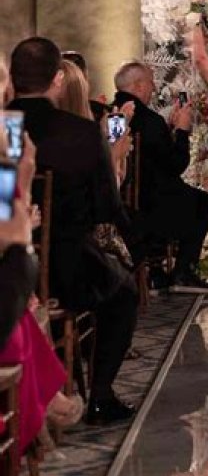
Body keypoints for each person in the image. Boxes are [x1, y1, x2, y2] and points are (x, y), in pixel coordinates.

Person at [8, 37, 138, 425]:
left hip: (11, 265)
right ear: (57, 79)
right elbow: (106, 208)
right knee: (124, 292)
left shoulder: (5, 128)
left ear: (13, 78)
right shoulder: (80, 131)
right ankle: (100, 396)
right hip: (68, 269)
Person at [114, 62, 208, 294]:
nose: (153, 88)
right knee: (203, 201)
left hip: (122, 200)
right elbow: (176, 165)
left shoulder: (112, 114)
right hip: (153, 206)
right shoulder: (150, 120)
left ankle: (156, 270)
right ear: (139, 86)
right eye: (151, 82)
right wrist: (181, 131)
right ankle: (183, 270)